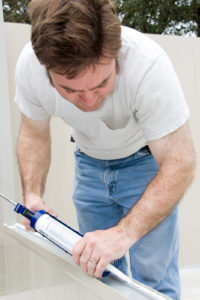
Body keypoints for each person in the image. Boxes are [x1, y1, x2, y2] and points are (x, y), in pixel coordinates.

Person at [14, 0, 195, 299]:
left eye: (101, 84)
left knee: (153, 281)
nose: (88, 102)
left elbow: (180, 162)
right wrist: (33, 195)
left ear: (116, 55)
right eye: (70, 89)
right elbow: (34, 135)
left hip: (146, 166)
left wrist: (123, 235)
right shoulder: (30, 66)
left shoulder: (148, 65)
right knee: (99, 277)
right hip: (88, 162)